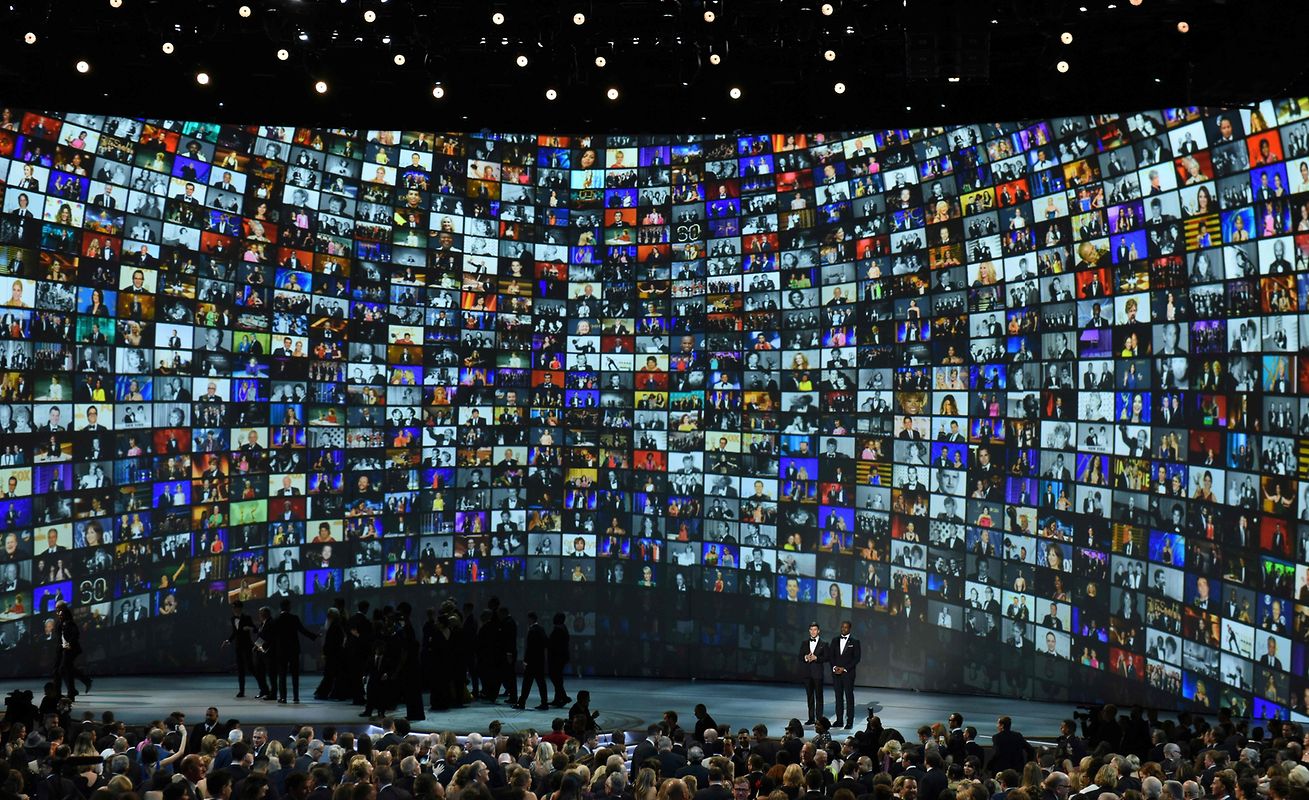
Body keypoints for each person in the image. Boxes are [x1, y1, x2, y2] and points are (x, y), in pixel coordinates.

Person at [272, 599, 319, 703]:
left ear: (281, 607)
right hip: (293, 649)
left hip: (281, 650)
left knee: (282, 675)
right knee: (295, 675)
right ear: (289, 607)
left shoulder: (276, 619)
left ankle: (283, 697)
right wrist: (314, 636)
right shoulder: (294, 618)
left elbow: (271, 635)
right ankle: (296, 697)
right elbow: (303, 631)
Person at [221, 600, 263, 698]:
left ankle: (263, 688)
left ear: (240, 608)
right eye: (233, 607)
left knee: (251, 667)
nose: (234, 609)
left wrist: (249, 628)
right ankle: (241, 691)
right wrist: (228, 641)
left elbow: (255, 629)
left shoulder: (247, 618)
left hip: (247, 645)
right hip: (238, 646)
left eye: (235, 607)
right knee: (240, 669)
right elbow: (235, 632)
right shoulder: (233, 619)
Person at [53, 602, 90, 698]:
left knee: (64, 669)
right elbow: (59, 635)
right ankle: (70, 689)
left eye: (59, 608)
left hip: (69, 649)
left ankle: (71, 691)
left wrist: (69, 644)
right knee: (62, 669)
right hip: (61, 649)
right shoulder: (59, 620)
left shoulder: (68, 620)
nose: (57, 610)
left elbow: (74, 634)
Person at [828, 620, 861, 729]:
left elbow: (856, 658)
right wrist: (834, 667)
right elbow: (831, 656)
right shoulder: (835, 640)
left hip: (848, 674)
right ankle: (839, 720)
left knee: (849, 697)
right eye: (842, 627)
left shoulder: (855, 642)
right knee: (838, 698)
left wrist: (845, 668)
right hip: (836, 673)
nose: (843, 629)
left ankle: (849, 722)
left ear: (849, 628)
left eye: (846, 627)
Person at [516, 611, 550, 710]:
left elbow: (529, 648)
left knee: (527, 683)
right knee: (541, 683)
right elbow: (546, 643)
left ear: (530, 619)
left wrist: (526, 660)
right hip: (539, 661)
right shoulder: (541, 629)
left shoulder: (532, 630)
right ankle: (544, 703)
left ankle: (521, 703)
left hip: (531, 662)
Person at [799, 621, 829, 725]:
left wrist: (817, 658)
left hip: (818, 674)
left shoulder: (824, 644)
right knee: (810, 696)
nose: (813, 631)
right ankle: (811, 718)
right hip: (807, 674)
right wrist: (806, 657)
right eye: (811, 629)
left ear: (818, 631)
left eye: (815, 629)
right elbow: (800, 656)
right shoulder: (804, 643)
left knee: (819, 696)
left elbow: (827, 657)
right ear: (809, 631)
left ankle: (819, 719)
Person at [548, 612, 571, 707]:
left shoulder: (559, 630)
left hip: (557, 658)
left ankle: (563, 697)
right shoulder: (563, 629)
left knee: (555, 677)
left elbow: (554, 645)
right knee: (557, 678)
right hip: (560, 657)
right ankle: (558, 698)